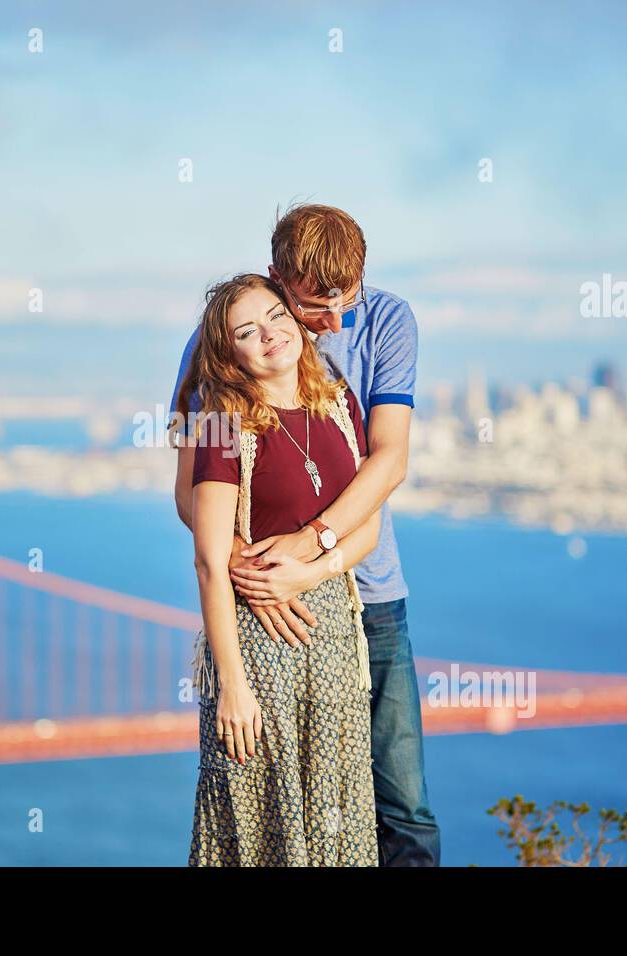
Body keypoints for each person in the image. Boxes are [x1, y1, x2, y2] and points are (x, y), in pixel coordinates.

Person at [170, 203, 441, 867]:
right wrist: (256, 573)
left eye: (344, 304)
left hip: (368, 602)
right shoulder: (223, 353)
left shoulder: (380, 332)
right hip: (269, 617)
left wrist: (312, 553)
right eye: (312, 308)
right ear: (277, 279)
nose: (332, 324)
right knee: (274, 811)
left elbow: (390, 462)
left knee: (398, 807)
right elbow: (192, 493)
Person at [182, 273, 379, 866]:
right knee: (260, 828)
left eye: (275, 316)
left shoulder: (339, 402)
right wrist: (232, 686)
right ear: (229, 352)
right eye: (247, 331)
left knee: (336, 821)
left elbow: (366, 526)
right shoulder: (221, 420)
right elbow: (212, 562)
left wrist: (309, 573)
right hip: (258, 652)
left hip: (337, 642)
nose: (269, 335)